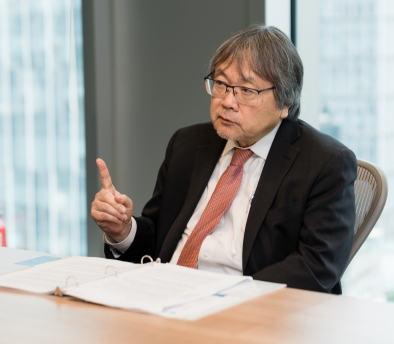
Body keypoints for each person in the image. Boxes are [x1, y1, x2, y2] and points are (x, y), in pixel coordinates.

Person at [91, 24, 356, 294]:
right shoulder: (187, 144)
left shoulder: (325, 163)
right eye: (221, 84)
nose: (228, 101)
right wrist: (123, 231)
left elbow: (316, 266)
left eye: (246, 90)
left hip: (250, 313)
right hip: (165, 296)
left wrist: (226, 295)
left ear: (285, 103)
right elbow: (158, 239)